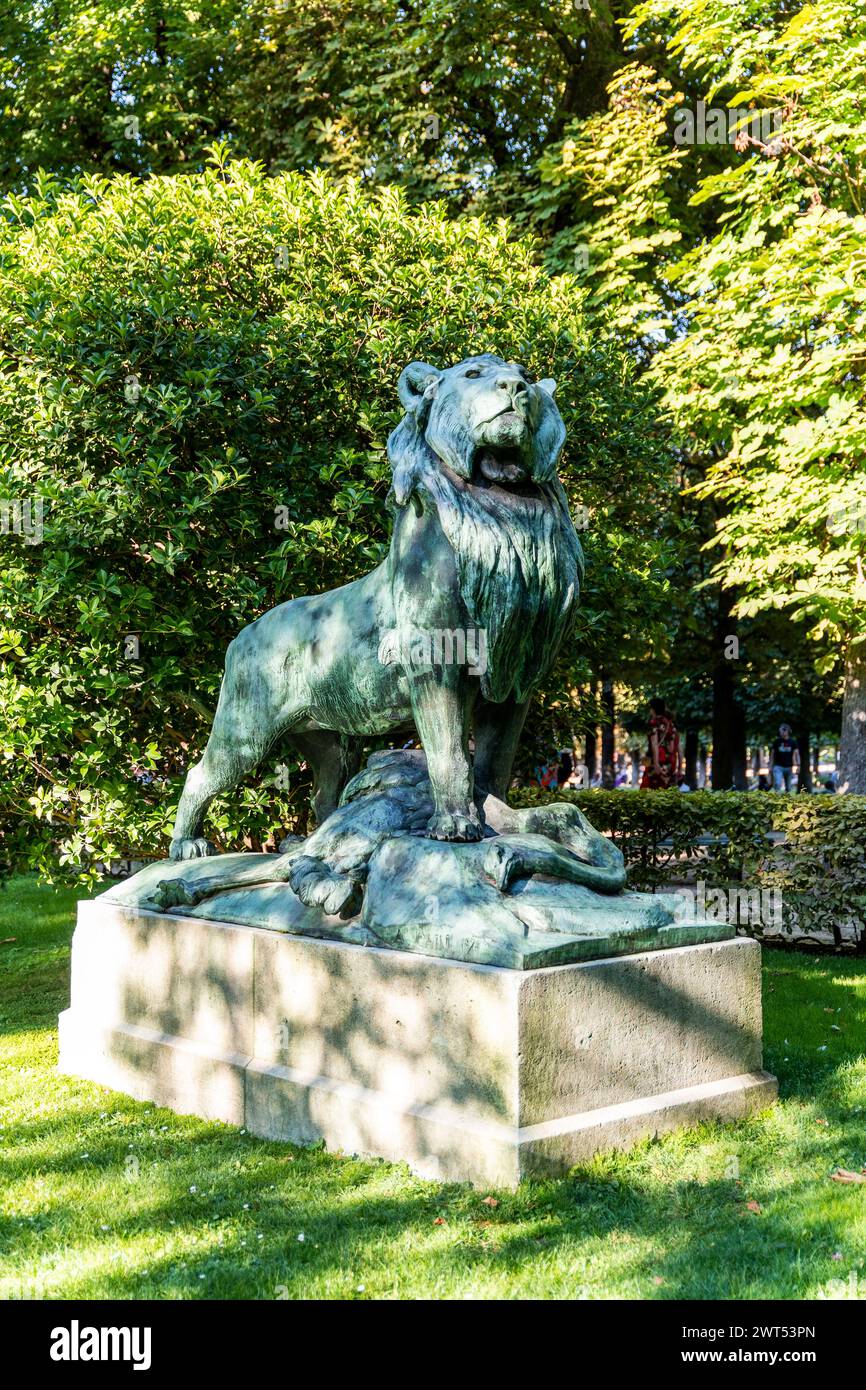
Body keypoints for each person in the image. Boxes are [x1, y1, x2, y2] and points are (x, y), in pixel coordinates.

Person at [640, 698, 681, 789]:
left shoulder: (654, 723)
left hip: (658, 760)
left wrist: (656, 764)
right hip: (669, 762)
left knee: (649, 789)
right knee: (665, 789)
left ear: (653, 709)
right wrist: (679, 766)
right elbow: (675, 746)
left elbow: (654, 744)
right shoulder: (670, 724)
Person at [770, 723, 799, 792]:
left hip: (789, 767)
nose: (781, 732)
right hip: (778, 766)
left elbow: (797, 754)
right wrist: (770, 765)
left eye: (783, 730)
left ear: (787, 731)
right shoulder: (776, 742)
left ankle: (787, 802)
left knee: (788, 787)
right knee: (778, 783)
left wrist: (798, 765)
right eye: (780, 730)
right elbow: (772, 754)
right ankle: (776, 800)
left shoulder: (793, 742)